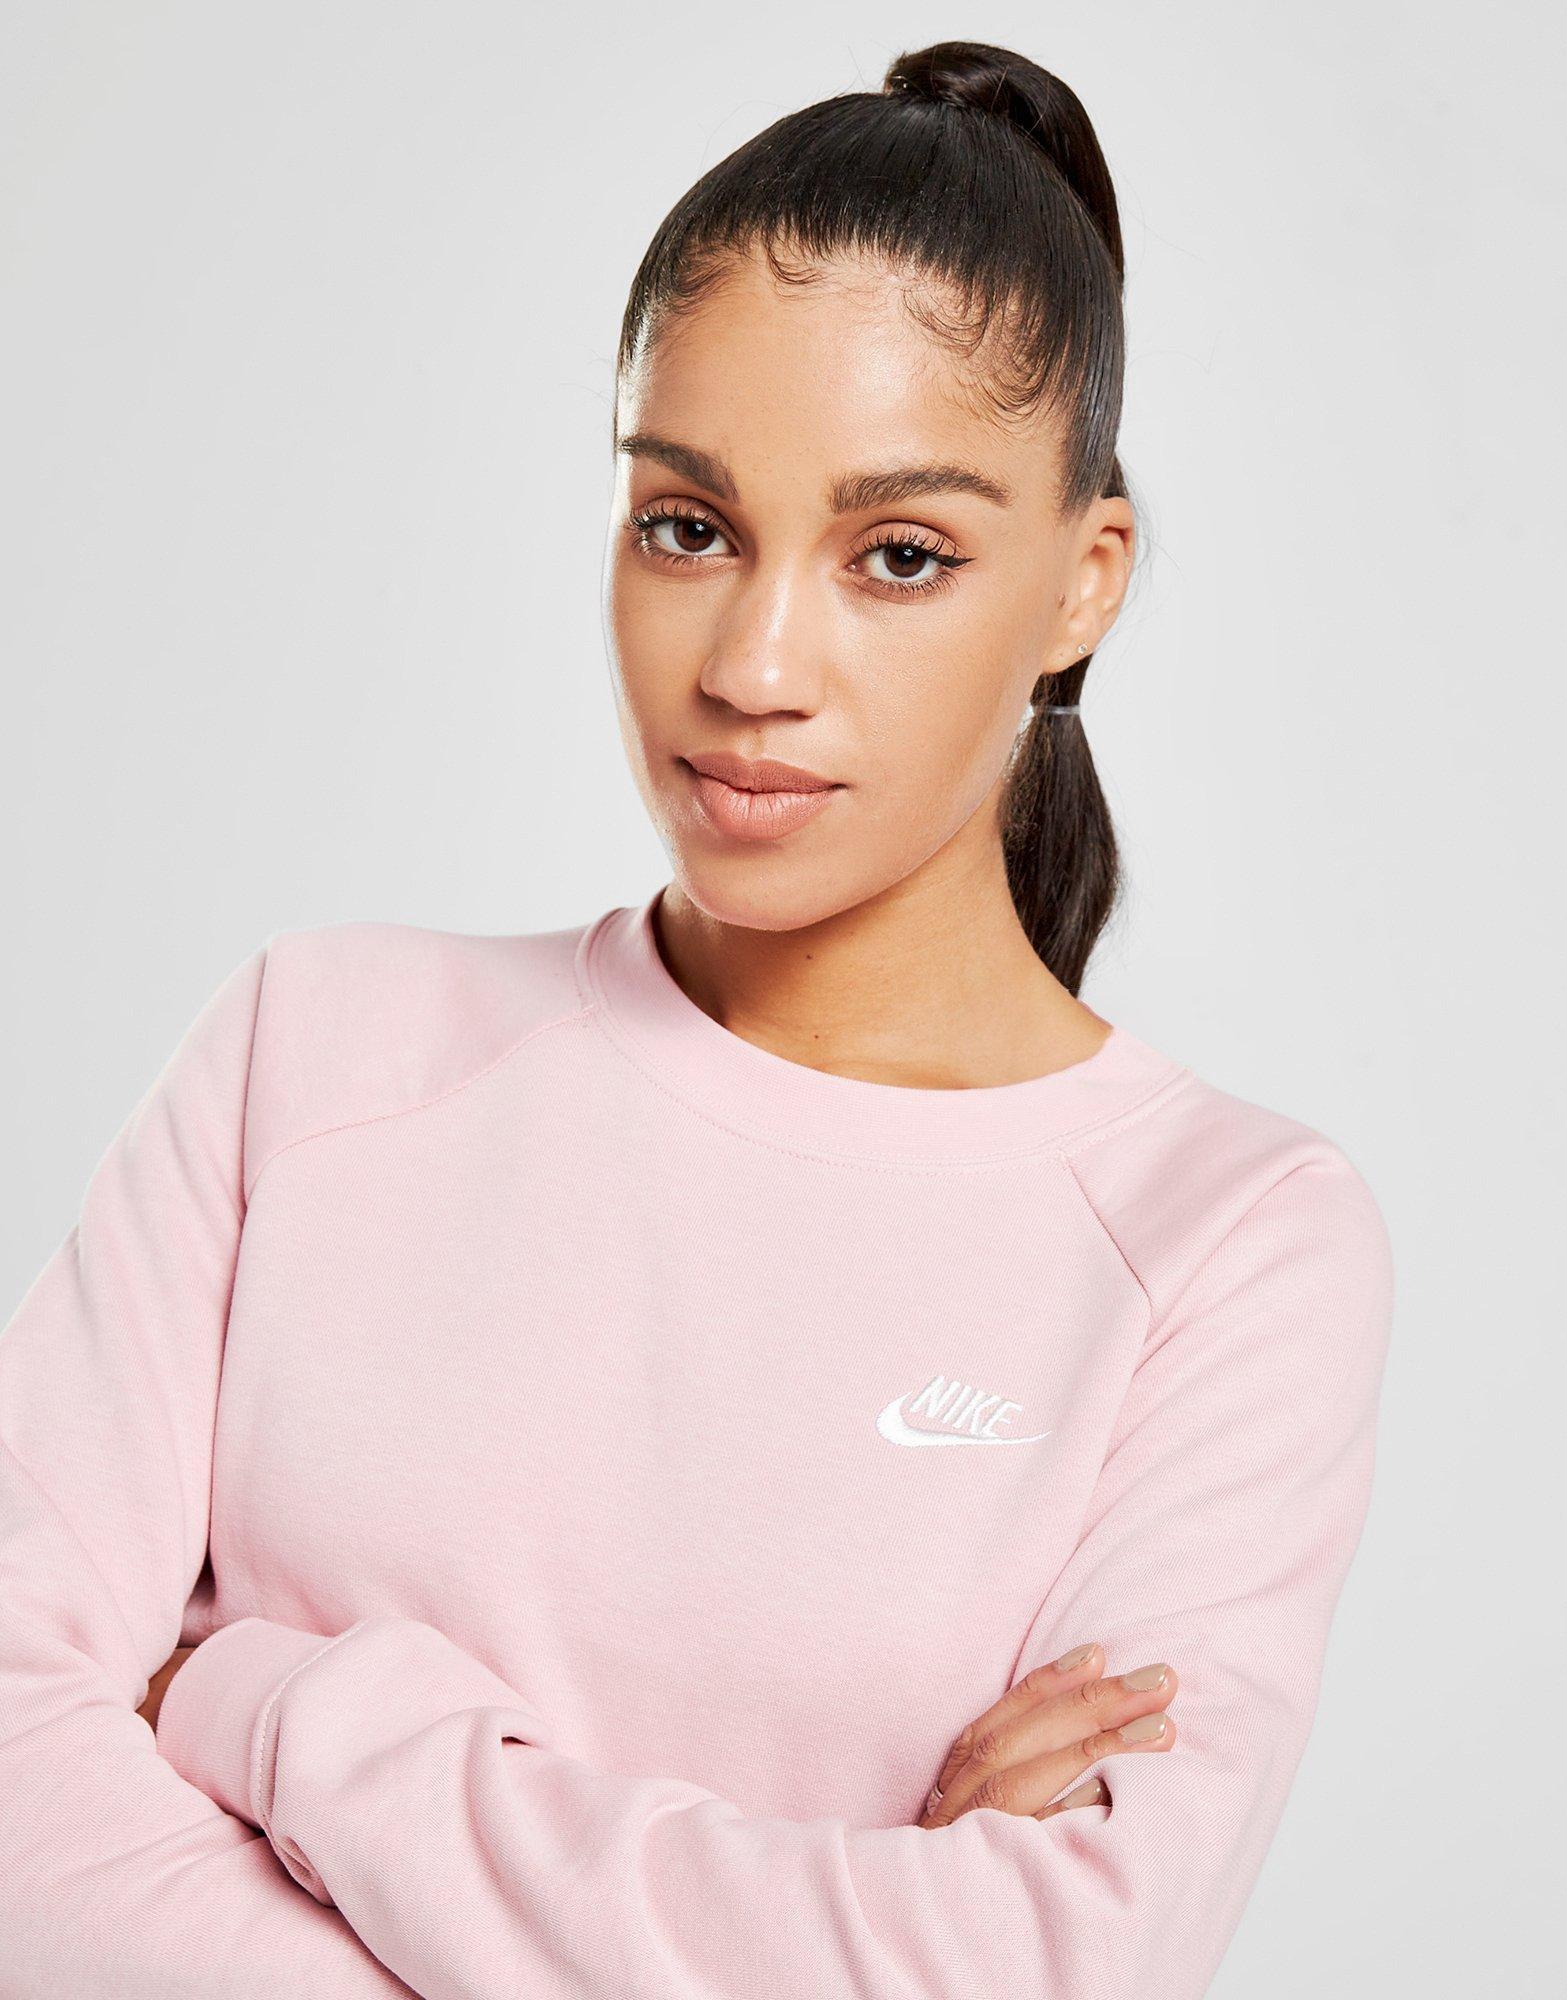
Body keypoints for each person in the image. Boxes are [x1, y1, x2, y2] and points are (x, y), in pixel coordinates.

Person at [0, 38, 1393, 2000]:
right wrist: (841, 1907)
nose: (752, 662)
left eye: (898, 557)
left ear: (1083, 585)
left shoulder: (1226, 1244)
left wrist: (269, 1710)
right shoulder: (306, 1057)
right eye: (687, 525)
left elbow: (1026, 1968)